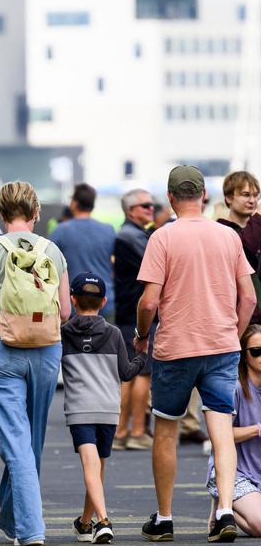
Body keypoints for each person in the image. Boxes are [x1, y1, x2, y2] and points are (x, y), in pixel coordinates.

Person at [135, 165, 256, 543]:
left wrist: (141, 335)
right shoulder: (227, 237)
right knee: (220, 430)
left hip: (176, 348)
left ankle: (166, 518)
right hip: (221, 346)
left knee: (166, 432)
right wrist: (233, 336)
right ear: (204, 195)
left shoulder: (162, 238)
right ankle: (223, 511)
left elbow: (149, 301)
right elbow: (249, 297)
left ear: (170, 198)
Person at [0, 181, 71, 546]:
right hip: (45, 350)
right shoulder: (52, 251)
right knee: (30, 439)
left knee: (15, 440)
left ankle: (29, 527)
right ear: (36, 213)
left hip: (0, 348)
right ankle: (14, 519)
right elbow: (66, 311)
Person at [60, 272, 146, 544]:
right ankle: (86, 522)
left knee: (89, 464)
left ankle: (103, 521)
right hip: (108, 409)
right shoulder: (114, 334)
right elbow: (126, 372)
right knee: (96, 467)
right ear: (104, 301)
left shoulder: (62, 334)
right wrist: (141, 355)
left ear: (73, 300)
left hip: (79, 408)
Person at [206, 324, 261, 536]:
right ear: (244, 355)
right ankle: (224, 501)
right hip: (236, 473)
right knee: (259, 525)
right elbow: (219, 436)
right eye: (256, 352)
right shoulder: (234, 388)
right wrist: (257, 429)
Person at [113, 188, 156, 452]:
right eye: (145, 206)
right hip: (137, 312)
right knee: (141, 373)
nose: (151, 209)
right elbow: (158, 264)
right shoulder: (132, 236)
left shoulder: (129, 234)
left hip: (128, 310)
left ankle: (122, 431)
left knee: (129, 373)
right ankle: (136, 431)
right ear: (131, 211)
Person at [50, 183, 116, 318]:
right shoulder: (108, 230)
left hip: (74, 304)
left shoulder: (61, 231)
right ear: (92, 204)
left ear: (74, 203)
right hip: (104, 301)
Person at [217, 171, 261, 325]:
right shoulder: (220, 229)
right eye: (245, 194)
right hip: (237, 317)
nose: (252, 200)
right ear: (228, 198)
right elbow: (245, 250)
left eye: (256, 195)